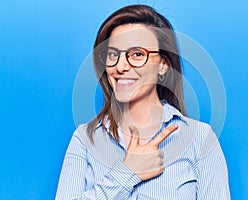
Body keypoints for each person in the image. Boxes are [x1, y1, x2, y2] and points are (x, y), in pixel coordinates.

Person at [56, 4, 230, 200]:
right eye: (113, 54)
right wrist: (127, 172)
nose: (120, 66)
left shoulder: (200, 139)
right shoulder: (85, 139)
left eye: (137, 54)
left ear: (163, 65)